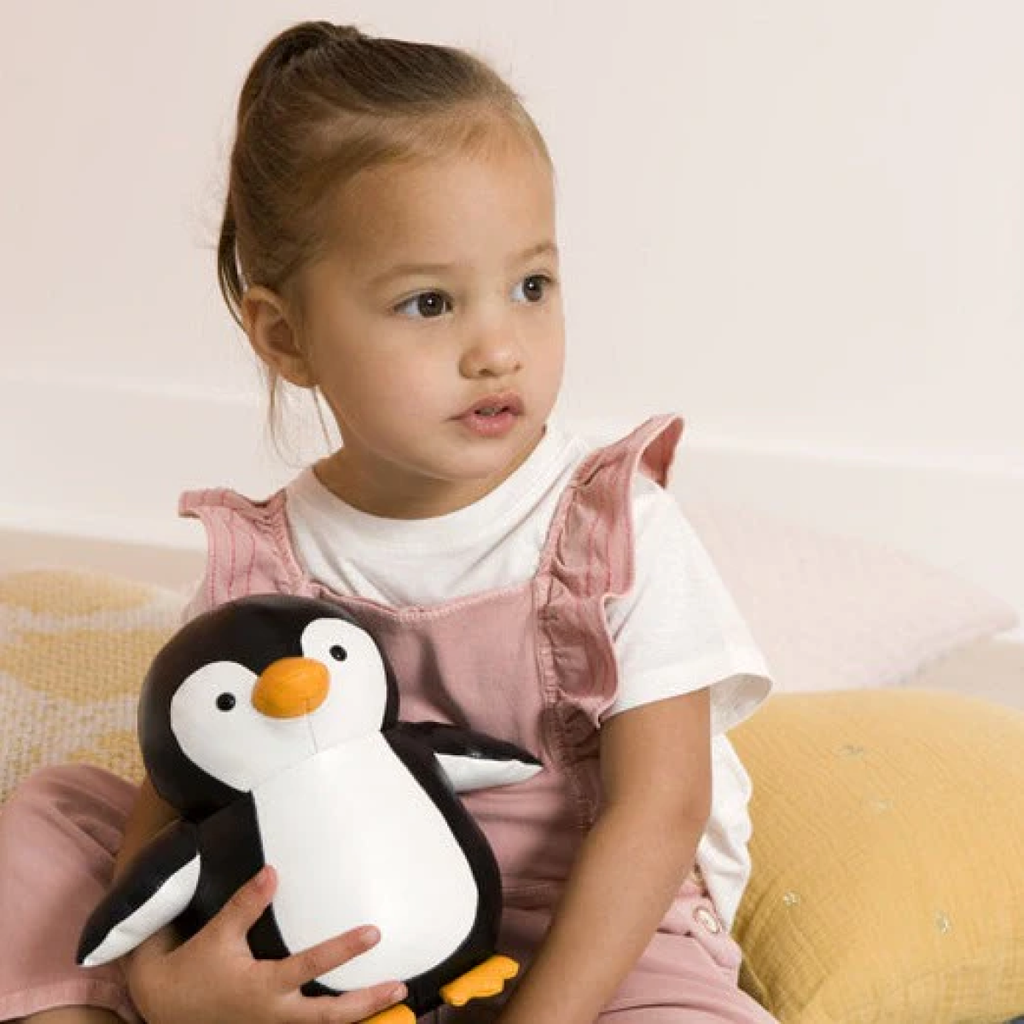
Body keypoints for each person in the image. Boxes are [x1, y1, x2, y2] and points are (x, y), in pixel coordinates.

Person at [0, 19, 779, 1024]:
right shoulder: (266, 566)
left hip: (588, 937)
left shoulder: (610, 527)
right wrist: (170, 980)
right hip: (335, 940)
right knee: (56, 814)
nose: (498, 347)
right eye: (428, 303)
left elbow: (660, 810)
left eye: (530, 286)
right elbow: (178, 799)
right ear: (287, 336)